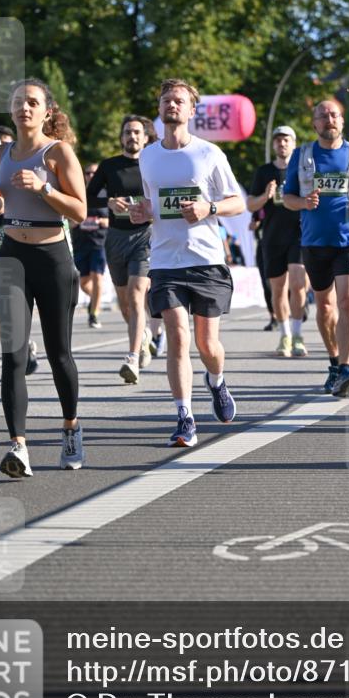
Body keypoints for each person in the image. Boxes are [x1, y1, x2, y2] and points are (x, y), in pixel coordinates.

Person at [0, 78, 87, 477]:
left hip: (53, 257)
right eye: (18, 102)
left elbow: (79, 211)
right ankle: (18, 445)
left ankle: (71, 429)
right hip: (12, 256)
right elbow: (0, 203)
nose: (24, 108)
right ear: (10, 110)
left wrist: (44, 188)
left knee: (59, 353)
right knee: (13, 354)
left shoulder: (58, 152)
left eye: (32, 102)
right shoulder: (1, 153)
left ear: (47, 112)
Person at [130, 78, 244, 447]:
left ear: (192, 110)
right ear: (160, 108)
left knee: (207, 344)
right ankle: (184, 417)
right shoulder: (147, 156)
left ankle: (217, 381)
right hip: (164, 261)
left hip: (206, 260)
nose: (172, 105)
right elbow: (152, 206)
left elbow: (236, 202)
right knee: (177, 336)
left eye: (179, 101)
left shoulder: (209, 154)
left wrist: (208, 207)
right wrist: (140, 212)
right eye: (166, 100)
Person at [283, 98, 349, 397]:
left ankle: (348, 367)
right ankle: (334, 362)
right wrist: (303, 202)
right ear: (314, 123)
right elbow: (288, 198)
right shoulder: (301, 155)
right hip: (314, 242)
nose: (330, 120)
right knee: (325, 308)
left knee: (348, 302)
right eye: (323, 115)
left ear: (342, 121)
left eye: (334, 115)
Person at [86, 116, 156, 384]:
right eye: (127, 132)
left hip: (144, 236)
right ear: (122, 137)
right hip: (115, 237)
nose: (132, 137)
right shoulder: (110, 166)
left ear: (146, 137)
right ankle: (144, 337)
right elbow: (88, 196)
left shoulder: (154, 165)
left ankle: (131, 358)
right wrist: (109, 202)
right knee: (125, 304)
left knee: (137, 297)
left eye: (137, 132)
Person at [0, 125, 39, 375]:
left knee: (19, 306)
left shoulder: (22, 173)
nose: (2, 152)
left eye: (7, 146)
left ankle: (24, 344)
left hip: (20, 247)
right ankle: (16, 350)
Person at [247, 126, 307, 358]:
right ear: (273, 145)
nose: (282, 144)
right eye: (278, 141)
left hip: (299, 234)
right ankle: (285, 335)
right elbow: (250, 205)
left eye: (286, 140)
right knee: (278, 289)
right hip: (272, 237)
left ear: (294, 143)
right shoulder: (264, 172)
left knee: (298, 284)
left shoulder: (302, 170)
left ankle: (298, 333)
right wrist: (265, 196)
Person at [72, 162, 109, 328]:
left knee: (97, 276)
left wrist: (99, 221)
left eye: (94, 173)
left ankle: (94, 314)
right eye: (88, 173)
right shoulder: (77, 193)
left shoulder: (105, 194)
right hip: (81, 244)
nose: (91, 176)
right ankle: (96, 300)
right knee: (84, 283)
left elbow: (113, 220)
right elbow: (70, 219)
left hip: (99, 243)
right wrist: (79, 221)